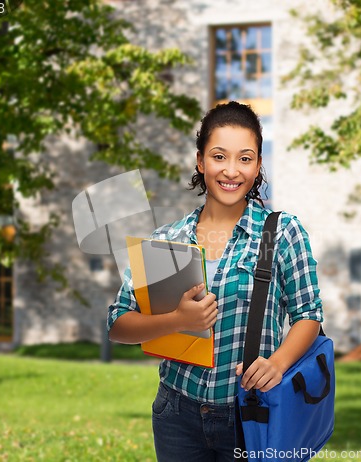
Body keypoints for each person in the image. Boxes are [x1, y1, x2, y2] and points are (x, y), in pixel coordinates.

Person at [107, 101, 323, 462]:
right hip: (176, 413)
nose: (232, 171)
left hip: (250, 411)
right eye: (220, 156)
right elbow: (118, 324)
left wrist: (277, 363)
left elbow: (308, 314)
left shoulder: (281, 232)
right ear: (200, 161)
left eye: (245, 158)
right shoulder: (169, 239)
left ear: (258, 165)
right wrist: (177, 320)